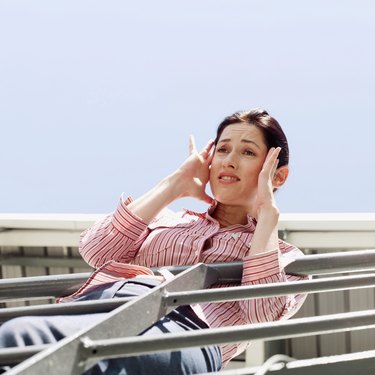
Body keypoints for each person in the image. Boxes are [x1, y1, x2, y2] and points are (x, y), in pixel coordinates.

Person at [0, 108, 308, 374]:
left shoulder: (286, 258)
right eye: (223, 149)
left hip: (182, 333)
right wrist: (175, 184)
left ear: (277, 176)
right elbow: (96, 250)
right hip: (104, 305)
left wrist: (268, 215)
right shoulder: (168, 220)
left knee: (37, 346)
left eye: (248, 152)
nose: (229, 161)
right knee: (17, 336)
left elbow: (262, 313)